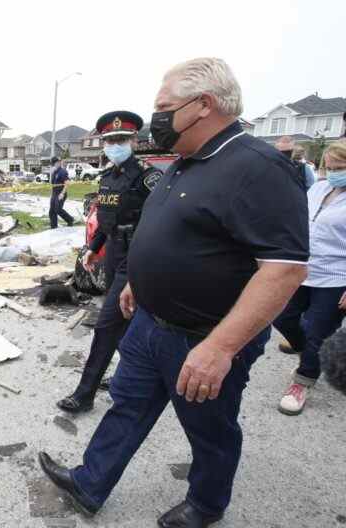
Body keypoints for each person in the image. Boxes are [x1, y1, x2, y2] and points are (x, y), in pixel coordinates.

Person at [38, 57, 308, 527]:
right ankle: (90, 481)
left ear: (203, 105)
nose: (156, 117)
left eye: (164, 107)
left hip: (203, 338)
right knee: (127, 405)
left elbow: (284, 271)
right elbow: (165, 232)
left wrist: (221, 348)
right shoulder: (186, 162)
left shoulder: (258, 167)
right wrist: (140, 286)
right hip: (148, 322)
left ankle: (206, 505)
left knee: (210, 430)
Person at [56, 110, 161, 413]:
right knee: (126, 321)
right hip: (114, 252)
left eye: (121, 139)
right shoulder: (109, 177)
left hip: (137, 257)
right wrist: (93, 248)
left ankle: (84, 394)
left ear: (134, 141)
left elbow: (160, 221)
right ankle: (125, 377)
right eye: (110, 140)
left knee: (107, 325)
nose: (115, 144)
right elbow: (105, 220)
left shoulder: (148, 177)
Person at [274, 139, 346, 415]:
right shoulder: (318, 188)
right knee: (283, 317)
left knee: (317, 330)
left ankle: (302, 381)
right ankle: (314, 355)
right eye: (330, 166)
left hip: (335, 278)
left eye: (340, 167)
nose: (334, 171)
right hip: (303, 270)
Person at [48, 156, 74, 229]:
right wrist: (52, 193)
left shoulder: (63, 171)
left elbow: (67, 182)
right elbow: (53, 184)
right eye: (54, 163)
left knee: (58, 209)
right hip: (54, 193)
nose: (58, 163)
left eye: (58, 162)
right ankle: (54, 226)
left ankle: (70, 219)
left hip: (60, 193)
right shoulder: (54, 172)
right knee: (51, 211)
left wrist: (62, 193)